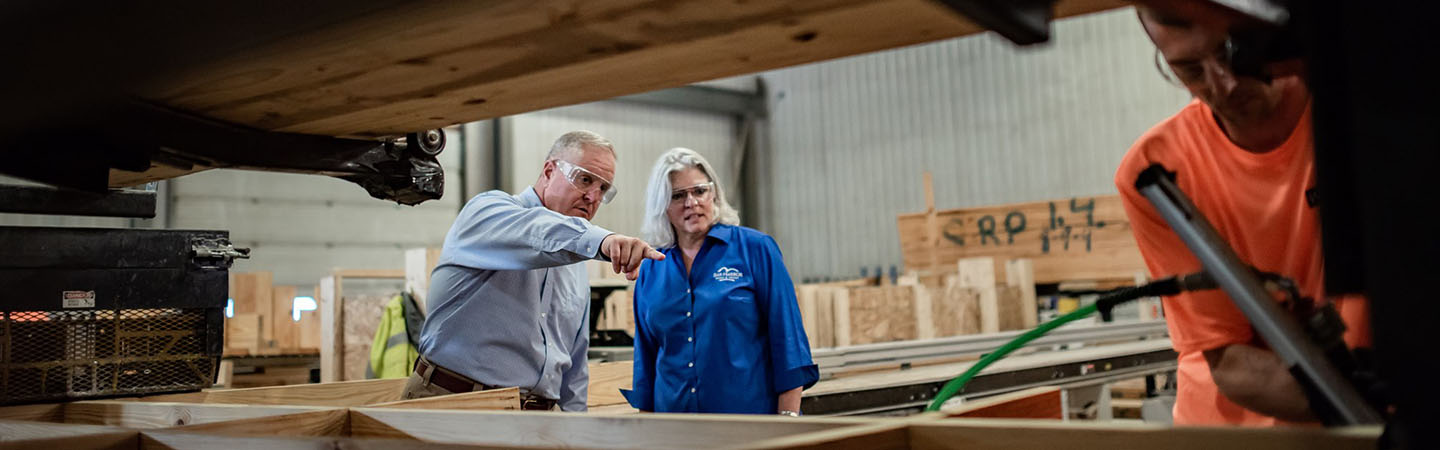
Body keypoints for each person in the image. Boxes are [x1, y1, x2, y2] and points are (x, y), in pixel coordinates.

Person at [1114, 6, 1371, 426]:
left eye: (1231, 53)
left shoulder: (1359, 118)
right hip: (1240, 429)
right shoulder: (1154, 172)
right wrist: (1367, 411)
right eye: (1190, 70)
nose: (1224, 85)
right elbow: (1229, 360)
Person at [405, 130, 664, 411]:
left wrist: (575, 430)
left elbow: (574, 366)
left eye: (603, 189)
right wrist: (604, 240)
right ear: (549, 171)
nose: (593, 196)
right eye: (585, 179)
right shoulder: (487, 213)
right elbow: (538, 229)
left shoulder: (576, 260)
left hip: (540, 419)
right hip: (457, 405)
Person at [622, 147, 817, 415]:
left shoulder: (755, 249)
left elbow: (788, 341)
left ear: (713, 194)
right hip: (674, 428)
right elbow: (646, 357)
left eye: (699, 191)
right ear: (662, 206)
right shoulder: (652, 267)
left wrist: (789, 419)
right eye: (678, 196)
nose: (691, 202)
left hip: (748, 424)